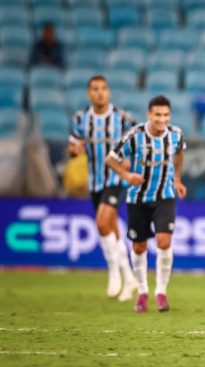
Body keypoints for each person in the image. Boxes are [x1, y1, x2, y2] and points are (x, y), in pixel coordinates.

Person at [105, 96, 187, 313]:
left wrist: (177, 179)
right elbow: (111, 159)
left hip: (165, 196)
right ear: (149, 115)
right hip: (137, 198)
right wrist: (126, 175)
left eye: (166, 115)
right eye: (158, 115)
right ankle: (142, 292)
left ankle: (161, 291)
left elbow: (179, 154)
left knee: (163, 241)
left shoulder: (176, 134)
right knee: (139, 246)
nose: (162, 119)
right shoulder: (135, 136)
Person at [68, 75, 138, 301]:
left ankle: (113, 272)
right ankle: (129, 276)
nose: (100, 92)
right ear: (89, 93)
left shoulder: (123, 118)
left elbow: (141, 144)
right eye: (95, 89)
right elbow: (73, 147)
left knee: (101, 222)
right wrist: (74, 151)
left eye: (103, 88)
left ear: (108, 92)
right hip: (95, 181)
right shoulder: (80, 119)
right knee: (110, 226)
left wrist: (130, 162)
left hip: (116, 179)